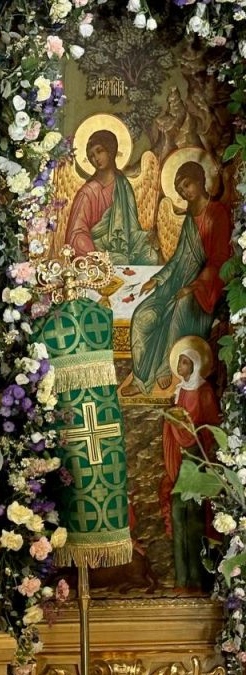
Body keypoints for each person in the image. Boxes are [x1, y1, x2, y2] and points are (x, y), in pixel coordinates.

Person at [121, 161, 231, 396]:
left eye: (187, 185)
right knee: (142, 316)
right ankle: (141, 380)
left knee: (179, 309)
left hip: (203, 290)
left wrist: (193, 287)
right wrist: (158, 279)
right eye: (180, 190)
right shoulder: (190, 218)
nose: (184, 193)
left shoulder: (217, 213)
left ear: (201, 181)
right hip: (174, 285)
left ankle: (164, 369)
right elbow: (178, 258)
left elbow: (219, 260)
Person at [160, 338, 219, 590]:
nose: (181, 367)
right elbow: (175, 421)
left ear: (195, 366)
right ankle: (181, 578)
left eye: (185, 363)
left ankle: (197, 577)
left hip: (196, 459)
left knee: (194, 518)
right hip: (182, 457)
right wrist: (173, 422)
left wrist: (186, 430)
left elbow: (210, 428)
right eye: (180, 362)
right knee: (178, 515)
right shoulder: (181, 390)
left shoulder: (204, 391)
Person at [64, 129, 160, 266]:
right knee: (120, 260)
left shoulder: (123, 185)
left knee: (150, 257)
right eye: (91, 156)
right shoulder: (88, 192)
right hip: (97, 250)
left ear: (110, 150)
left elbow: (132, 227)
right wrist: (96, 254)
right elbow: (76, 233)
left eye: (99, 151)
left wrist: (145, 237)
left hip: (124, 245)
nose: (96, 158)